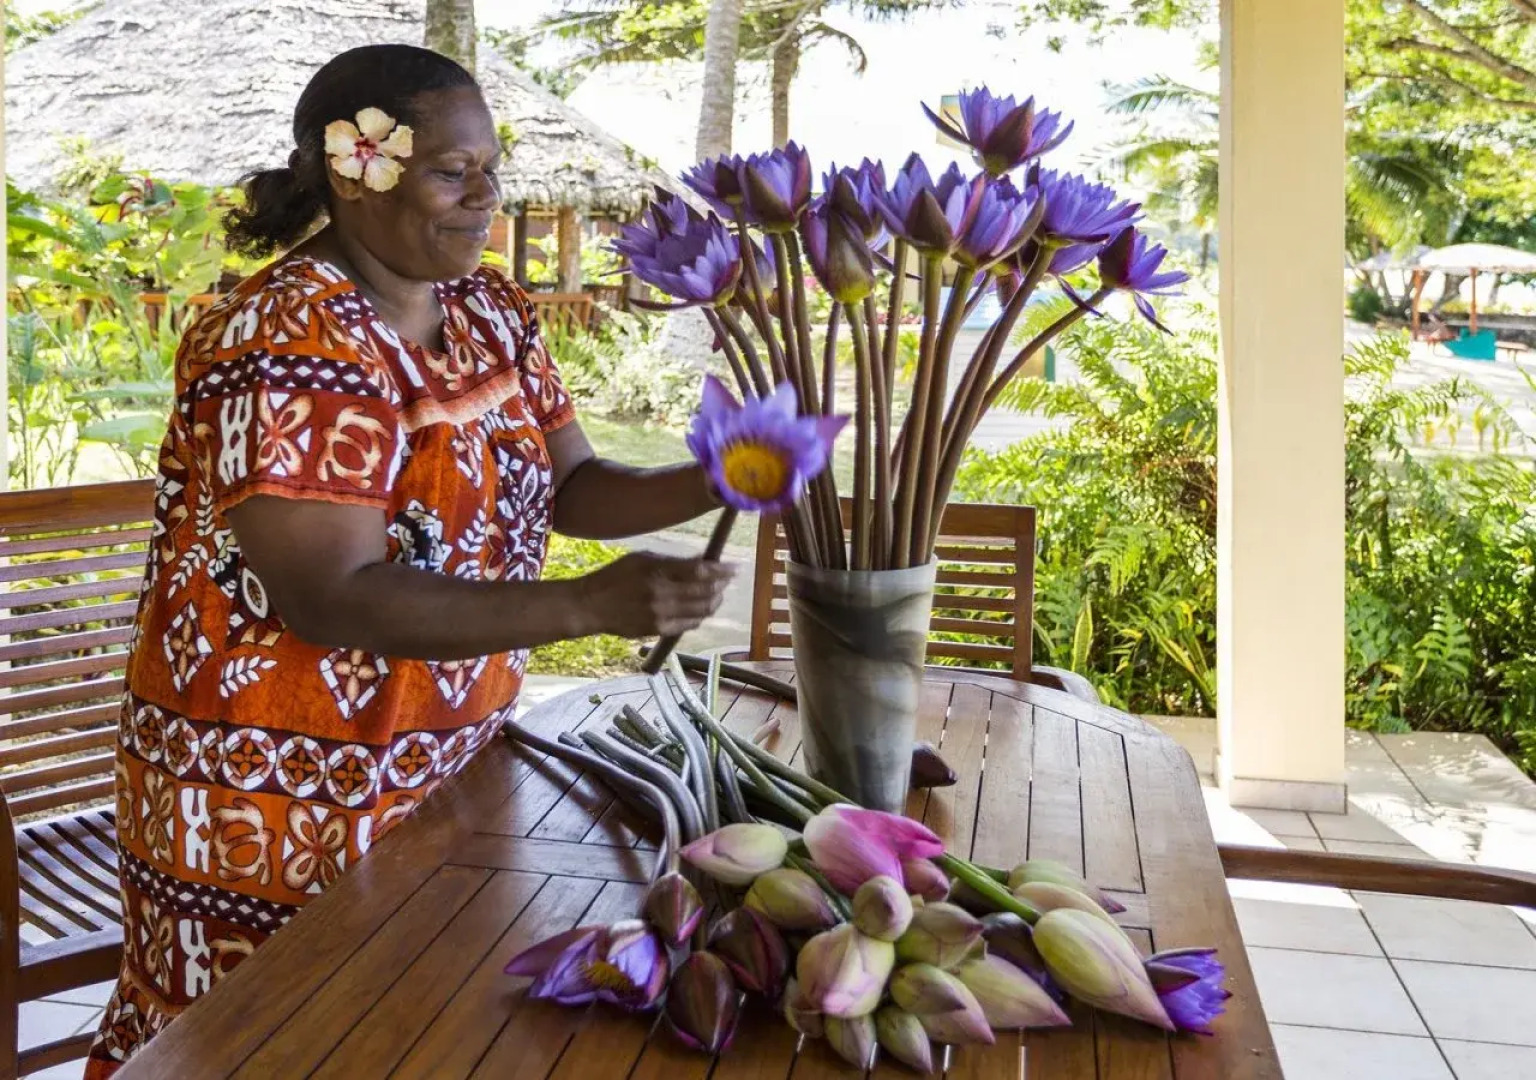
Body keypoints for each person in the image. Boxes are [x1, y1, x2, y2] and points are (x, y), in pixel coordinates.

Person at [85, 43, 731, 1077]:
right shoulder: (284, 335)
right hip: (274, 795)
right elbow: (330, 596)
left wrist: (724, 473)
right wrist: (585, 606)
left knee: (418, 1035)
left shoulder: (490, 314)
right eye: (451, 171)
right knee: (274, 1045)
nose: (485, 196)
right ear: (358, 170)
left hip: (443, 769)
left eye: (490, 169)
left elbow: (574, 487)